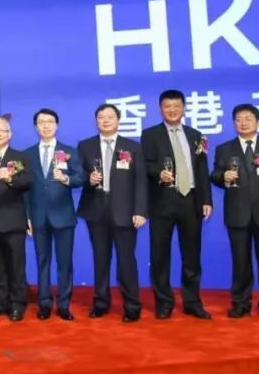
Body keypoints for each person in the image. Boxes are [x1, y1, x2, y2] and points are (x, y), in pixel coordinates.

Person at [210, 103, 259, 321]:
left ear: (258, 122)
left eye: (248, 118)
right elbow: (214, 175)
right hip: (237, 213)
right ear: (233, 123)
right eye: (238, 119)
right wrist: (222, 177)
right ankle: (240, 303)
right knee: (240, 262)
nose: (243, 123)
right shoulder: (224, 149)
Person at [140, 90, 213, 320]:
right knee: (160, 255)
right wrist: (158, 173)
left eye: (176, 105)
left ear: (183, 108)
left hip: (190, 200)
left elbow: (202, 169)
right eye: (167, 106)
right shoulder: (150, 135)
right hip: (162, 200)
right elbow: (144, 166)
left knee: (192, 255)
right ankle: (164, 302)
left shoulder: (195, 135)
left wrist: (206, 199)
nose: (172, 110)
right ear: (160, 108)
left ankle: (192, 302)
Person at [77, 103, 148, 322]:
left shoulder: (132, 147)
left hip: (125, 211)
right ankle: (101, 302)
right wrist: (88, 179)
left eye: (110, 117)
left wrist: (140, 211)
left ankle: (132, 305)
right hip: (96, 209)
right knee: (100, 259)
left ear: (118, 120)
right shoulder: (85, 146)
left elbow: (141, 181)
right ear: (96, 121)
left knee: (126, 260)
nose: (105, 120)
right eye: (101, 117)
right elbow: (77, 175)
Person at [23, 108, 84, 321]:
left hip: (63, 215)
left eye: (50, 121)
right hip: (38, 216)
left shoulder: (69, 151)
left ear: (56, 125)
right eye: (42, 122)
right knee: (43, 261)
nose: (46, 125)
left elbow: (81, 177)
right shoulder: (27, 154)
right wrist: (27, 216)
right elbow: (25, 189)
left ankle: (64, 304)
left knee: (64, 263)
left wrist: (66, 179)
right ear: (35, 127)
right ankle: (45, 303)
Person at [0, 117, 33, 321]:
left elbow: (28, 182)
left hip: (13, 220)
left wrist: (10, 178)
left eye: (2, 131)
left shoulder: (20, 157)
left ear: (10, 134)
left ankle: (17, 304)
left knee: (16, 265)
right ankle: (0, 303)